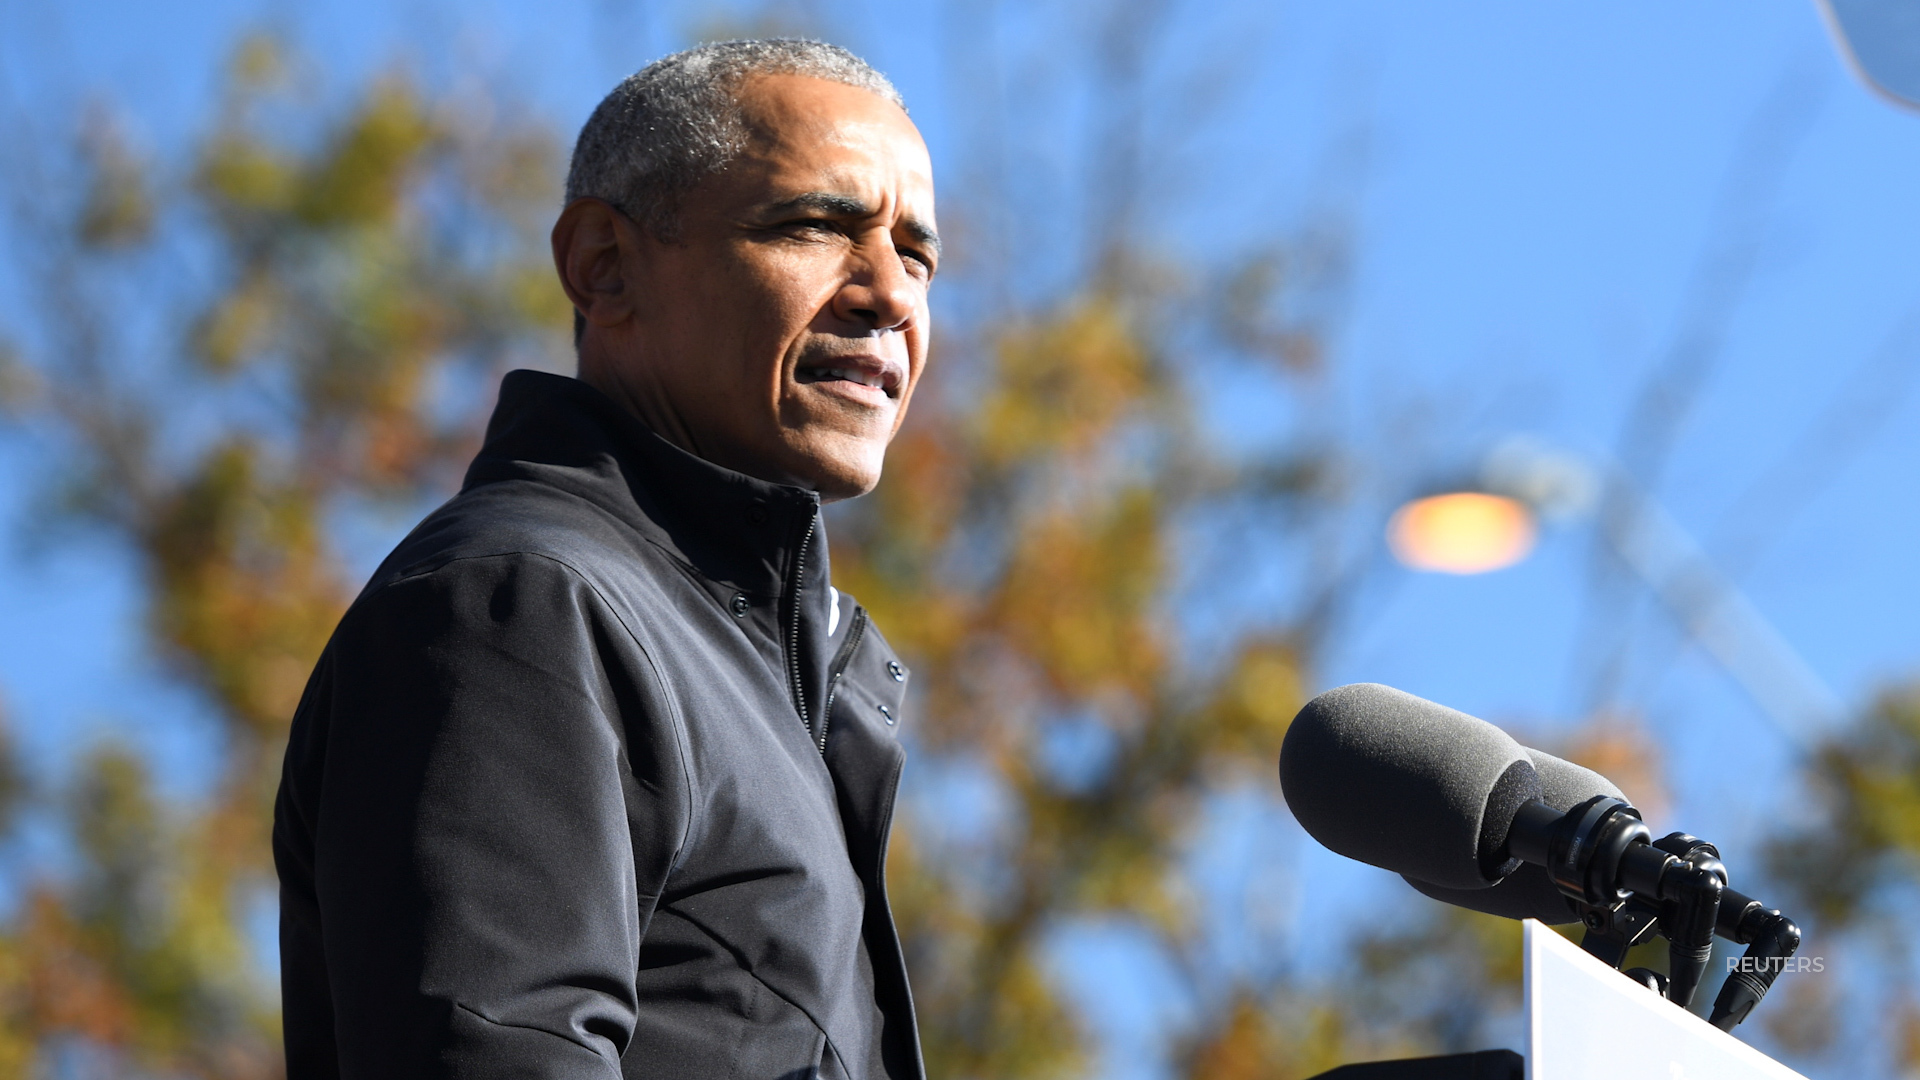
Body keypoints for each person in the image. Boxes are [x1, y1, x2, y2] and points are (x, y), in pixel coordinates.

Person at [272, 38, 938, 1080]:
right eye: (817, 225)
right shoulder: (521, 605)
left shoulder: (768, 679)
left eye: (919, 256)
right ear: (605, 265)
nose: (890, 293)